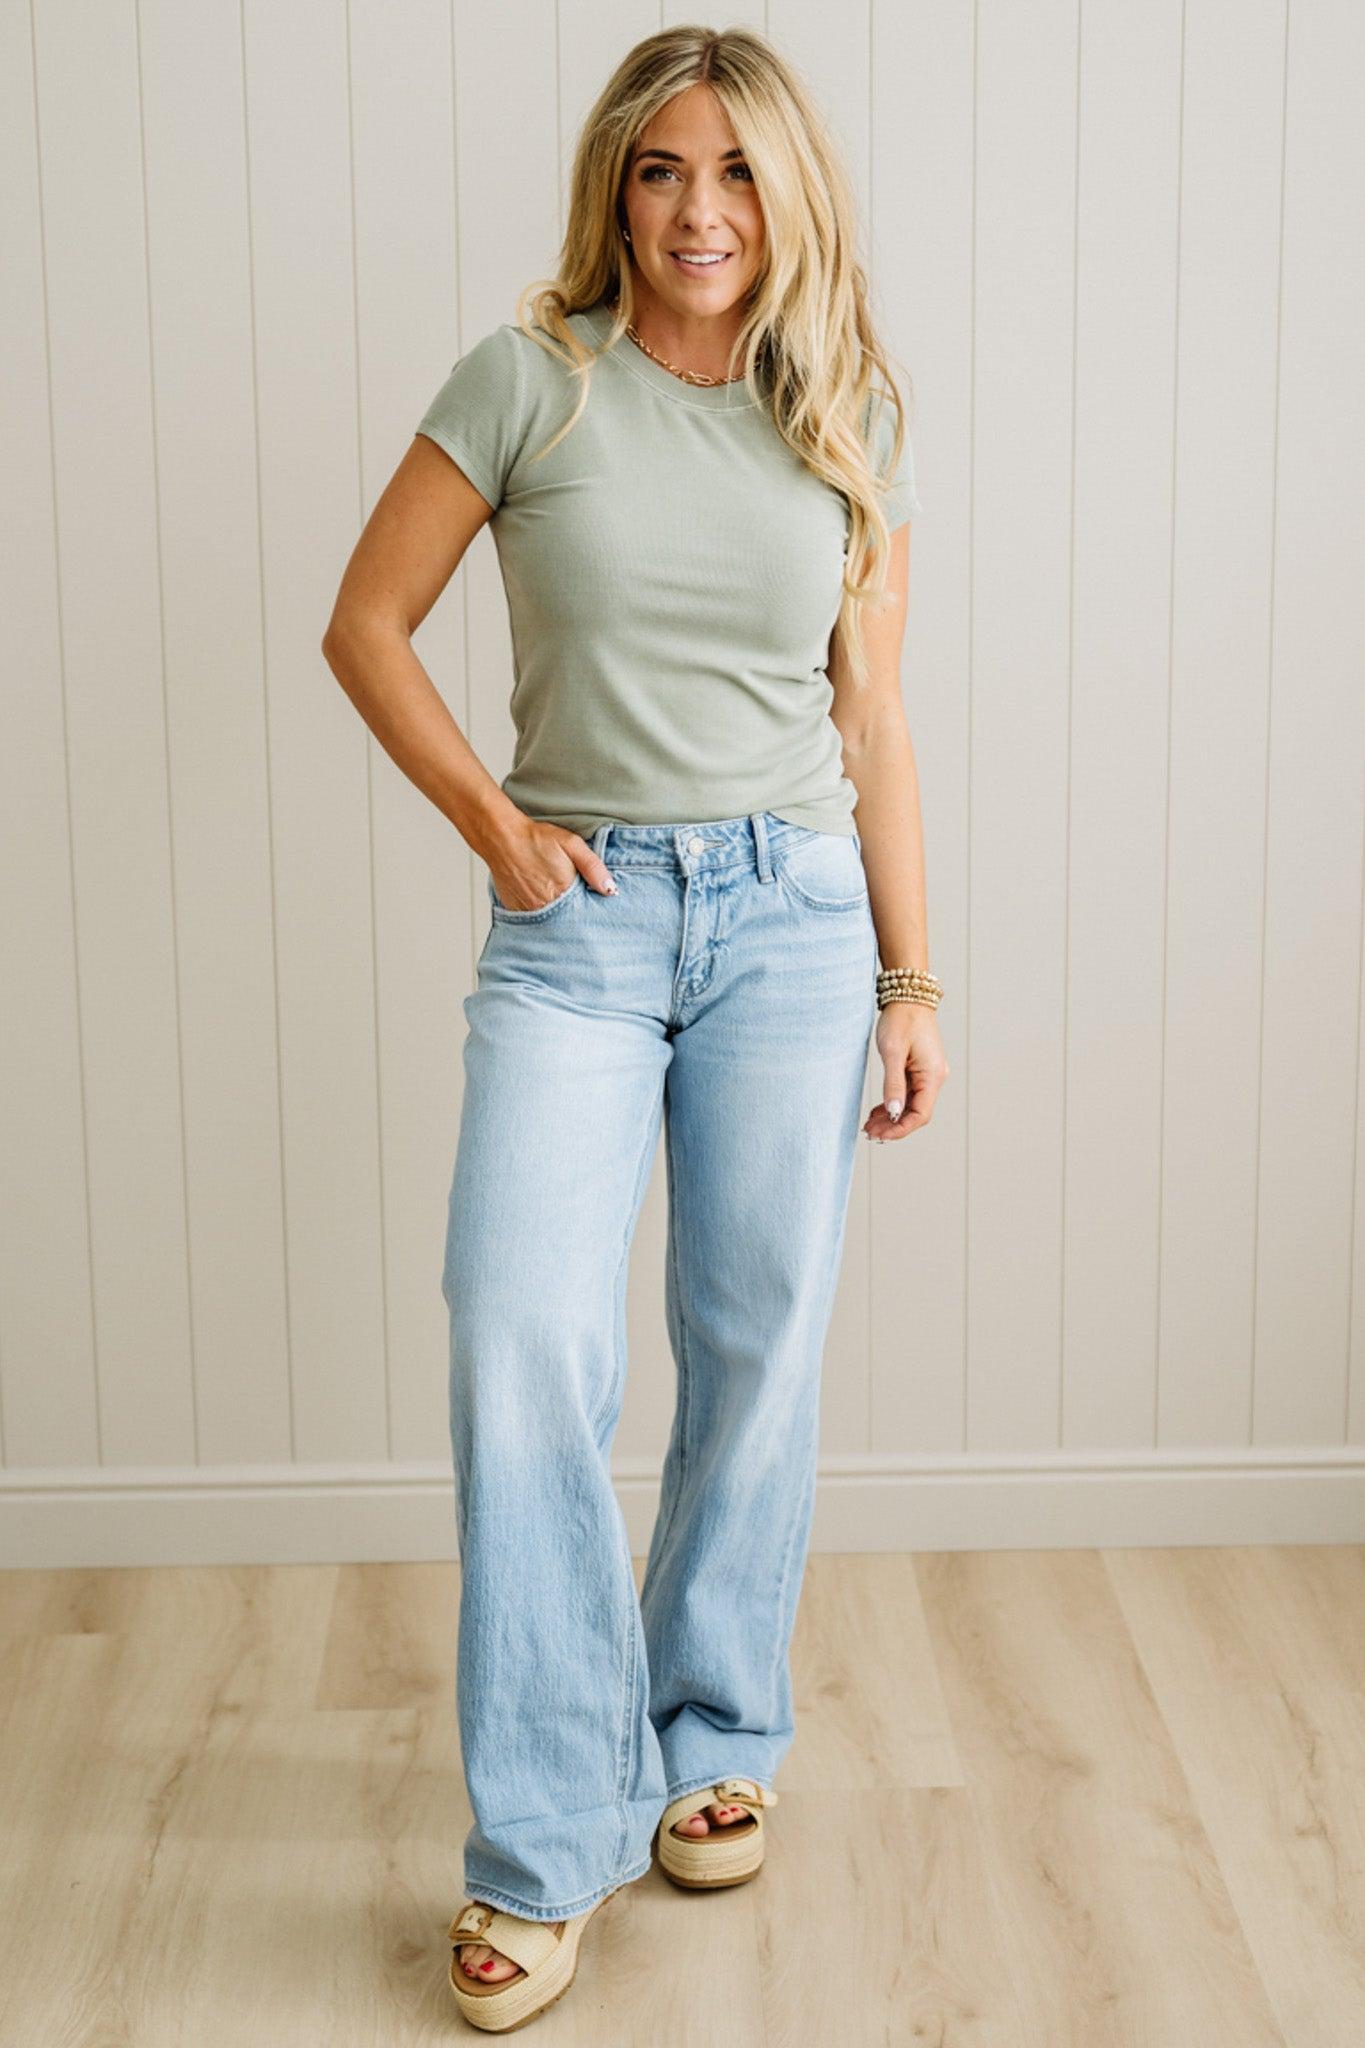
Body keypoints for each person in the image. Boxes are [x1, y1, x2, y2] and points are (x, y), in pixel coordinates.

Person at [321, 23, 949, 2034]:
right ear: (617, 186)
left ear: (790, 196)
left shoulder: (839, 407)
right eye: (663, 171)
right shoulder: (526, 379)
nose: (697, 211)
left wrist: (910, 978)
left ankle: (710, 1733)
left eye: (736, 172)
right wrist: (498, 829)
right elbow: (366, 622)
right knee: (520, 1328)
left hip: (787, 915)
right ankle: (540, 1833)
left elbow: (871, 725)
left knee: (751, 1332)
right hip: (576, 926)